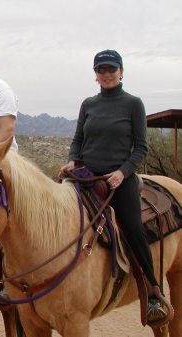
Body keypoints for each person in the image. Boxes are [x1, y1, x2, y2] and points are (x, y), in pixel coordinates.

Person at [59, 49, 170, 324]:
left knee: (133, 228)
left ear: (121, 72)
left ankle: (153, 291)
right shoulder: (89, 103)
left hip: (119, 179)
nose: (106, 74)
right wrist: (73, 160)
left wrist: (122, 173)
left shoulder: (133, 103)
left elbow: (141, 148)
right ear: (95, 75)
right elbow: (78, 139)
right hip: (86, 176)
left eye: (111, 69)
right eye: (101, 70)